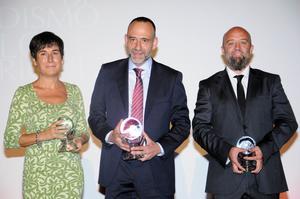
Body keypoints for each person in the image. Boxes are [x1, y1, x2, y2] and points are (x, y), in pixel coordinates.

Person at [88, 16, 190, 198]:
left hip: (155, 172)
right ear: (125, 39)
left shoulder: (171, 78)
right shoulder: (107, 72)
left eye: (144, 40)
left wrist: (158, 147)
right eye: (132, 39)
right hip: (116, 169)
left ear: (155, 43)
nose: (137, 46)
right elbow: (95, 116)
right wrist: (111, 136)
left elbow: (182, 124)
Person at [192, 26, 298, 199]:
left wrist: (262, 150)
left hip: (266, 179)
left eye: (243, 42)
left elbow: (288, 122)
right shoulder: (208, 86)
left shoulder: (271, 82)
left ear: (251, 48)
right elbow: (199, 128)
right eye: (231, 43)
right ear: (222, 50)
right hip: (224, 181)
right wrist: (228, 151)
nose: (237, 48)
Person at [4, 31, 89, 199]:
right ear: (35, 61)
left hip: (70, 177)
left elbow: (83, 131)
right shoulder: (24, 94)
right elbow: (10, 140)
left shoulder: (74, 91)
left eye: (55, 53)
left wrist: (80, 140)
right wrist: (45, 134)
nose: (50, 59)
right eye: (43, 53)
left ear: (62, 59)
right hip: (38, 179)